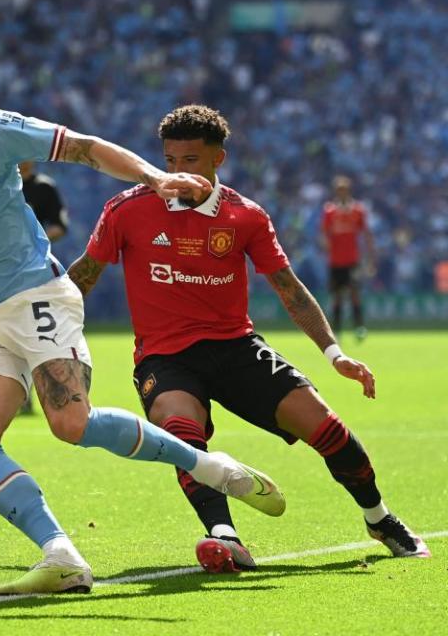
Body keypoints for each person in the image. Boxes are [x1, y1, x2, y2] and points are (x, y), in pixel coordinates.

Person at [0, 32, 285, 595]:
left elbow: (82, 146)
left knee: (70, 424)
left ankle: (210, 467)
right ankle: (62, 556)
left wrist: (155, 179)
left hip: (38, 294)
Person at [67, 104, 429, 573]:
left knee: (325, 426)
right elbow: (83, 276)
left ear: (218, 159)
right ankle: (224, 536)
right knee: (180, 429)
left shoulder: (246, 216)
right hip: (164, 356)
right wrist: (39, 329)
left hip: (237, 347)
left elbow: (289, 288)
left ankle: (379, 519)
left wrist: (334, 354)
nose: (176, 173)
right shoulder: (127, 209)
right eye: (169, 161)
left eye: (190, 161)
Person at [17, 160, 69, 415]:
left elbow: (60, 224)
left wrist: (35, 242)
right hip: (0, 270)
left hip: (35, 271)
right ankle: (18, 394)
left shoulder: (44, 188)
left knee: (39, 331)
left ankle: (53, 392)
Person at [321, 175, 375, 340]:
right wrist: (325, 244)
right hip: (336, 261)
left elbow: (366, 234)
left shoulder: (358, 210)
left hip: (352, 260)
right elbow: (323, 233)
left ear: (348, 191)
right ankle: (337, 330)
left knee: (354, 293)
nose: (341, 193)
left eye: (344, 190)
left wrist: (370, 258)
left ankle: (359, 326)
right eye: (339, 190)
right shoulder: (330, 211)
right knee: (337, 296)